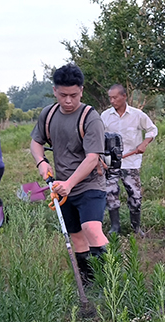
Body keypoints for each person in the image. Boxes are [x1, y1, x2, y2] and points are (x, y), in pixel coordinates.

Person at [30, 63, 108, 283]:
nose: (68, 101)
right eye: (63, 95)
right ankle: (89, 282)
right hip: (61, 187)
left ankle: (110, 279)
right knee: (76, 236)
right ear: (54, 90)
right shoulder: (48, 114)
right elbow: (36, 143)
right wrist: (41, 162)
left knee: (91, 228)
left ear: (81, 91)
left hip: (89, 183)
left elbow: (92, 158)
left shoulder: (90, 118)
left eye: (73, 95)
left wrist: (71, 183)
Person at [100, 83, 158, 235]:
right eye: (110, 98)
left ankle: (136, 227)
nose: (112, 101)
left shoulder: (137, 115)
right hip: (111, 163)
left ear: (124, 96)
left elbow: (152, 129)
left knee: (135, 196)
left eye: (115, 97)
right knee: (110, 194)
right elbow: (99, 138)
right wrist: (101, 160)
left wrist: (144, 143)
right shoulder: (105, 116)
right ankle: (115, 227)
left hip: (131, 162)